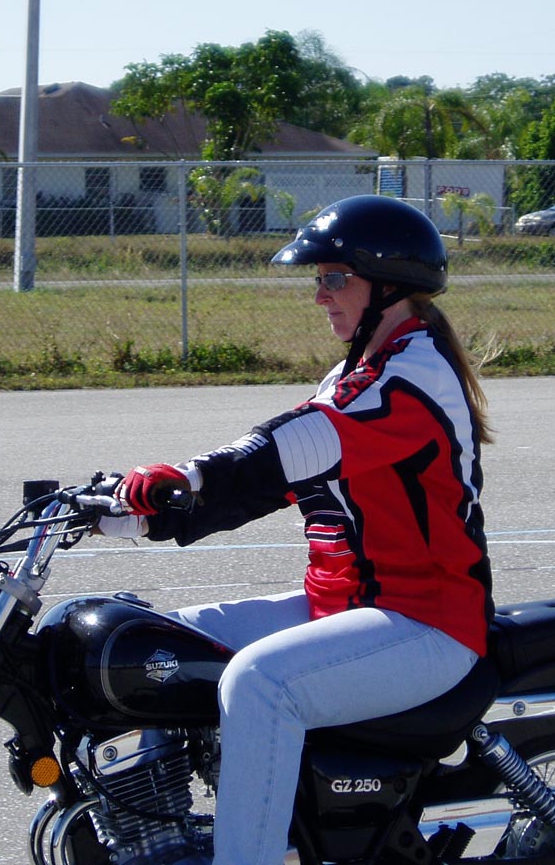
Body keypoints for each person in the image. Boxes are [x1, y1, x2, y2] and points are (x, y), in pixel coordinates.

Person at [95, 194, 494, 865]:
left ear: (389, 284)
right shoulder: (357, 371)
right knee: (157, 646)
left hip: (425, 622)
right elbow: (275, 483)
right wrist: (130, 515)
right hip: (343, 608)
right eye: (319, 279)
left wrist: (189, 474)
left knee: (259, 683)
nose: (319, 295)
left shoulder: (414, 374)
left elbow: (292, 448)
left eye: (334, 278)